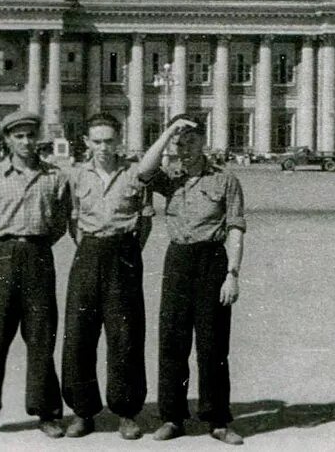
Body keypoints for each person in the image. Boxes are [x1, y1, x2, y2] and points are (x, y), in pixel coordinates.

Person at [60, 113, 196, 440]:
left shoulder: (134, 174)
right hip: (89, 253)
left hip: (124, 255)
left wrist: (125, 249)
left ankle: (126, 412)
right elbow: (72, 222)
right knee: (79, 334)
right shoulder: (76, 176)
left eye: (109, 141)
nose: (104, 148)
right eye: (97, 141)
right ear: (87, 143)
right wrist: (93, 245)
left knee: (126, 335)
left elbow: (145, 221)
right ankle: (82, 411)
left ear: (118, 140)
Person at [141, 113, 247, 445]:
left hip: (213, 260)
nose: (184, 149)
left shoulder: (225, 179)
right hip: (179, 259)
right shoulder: (169, 177)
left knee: (213, 344)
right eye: (179, 143)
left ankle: (217, 419)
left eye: (190, 141)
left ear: (203, 142)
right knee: (173, 341)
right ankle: (172, 417)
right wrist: (169, 130)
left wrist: (232, 274)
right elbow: (143, 170)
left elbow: (235, 228)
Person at [0, 110, 70, 439]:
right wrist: (5, 246)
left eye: (30, 136)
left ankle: (47, 412)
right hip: (0, 256)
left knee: (41, 336)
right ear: (8, 140)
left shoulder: (54, 176)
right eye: (19, 136)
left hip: (39, 256)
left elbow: (59, 222)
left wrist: (34, 244)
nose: (26, 142)